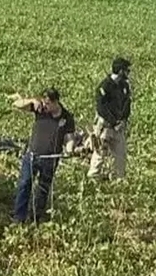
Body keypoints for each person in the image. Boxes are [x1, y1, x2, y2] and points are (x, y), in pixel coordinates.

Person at [11, 87, 76, 223]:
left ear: (56, 102)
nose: (45, 105)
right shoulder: (40, 109)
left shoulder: (67, 117)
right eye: (44, 102)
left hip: (50, 160)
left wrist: (69, 149)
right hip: (32, 155)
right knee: (24, 184)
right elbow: (17, 105)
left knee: (42, 190)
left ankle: (35, 218)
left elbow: (69, 137)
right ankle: (18, 217)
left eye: (48, 103)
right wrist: (32, 100)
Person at [88, 56, 132, 181]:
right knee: (100, 152)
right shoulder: (105, 86)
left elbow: (127, 104)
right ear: (120, 71)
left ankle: (119, 178)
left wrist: (123, 120)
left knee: (120, 155)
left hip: (119, 127)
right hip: (106, 126)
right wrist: (113, 122)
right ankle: (93, 176)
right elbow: (101, 108)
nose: (128, 73)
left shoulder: (124, 86)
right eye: (126, 70)